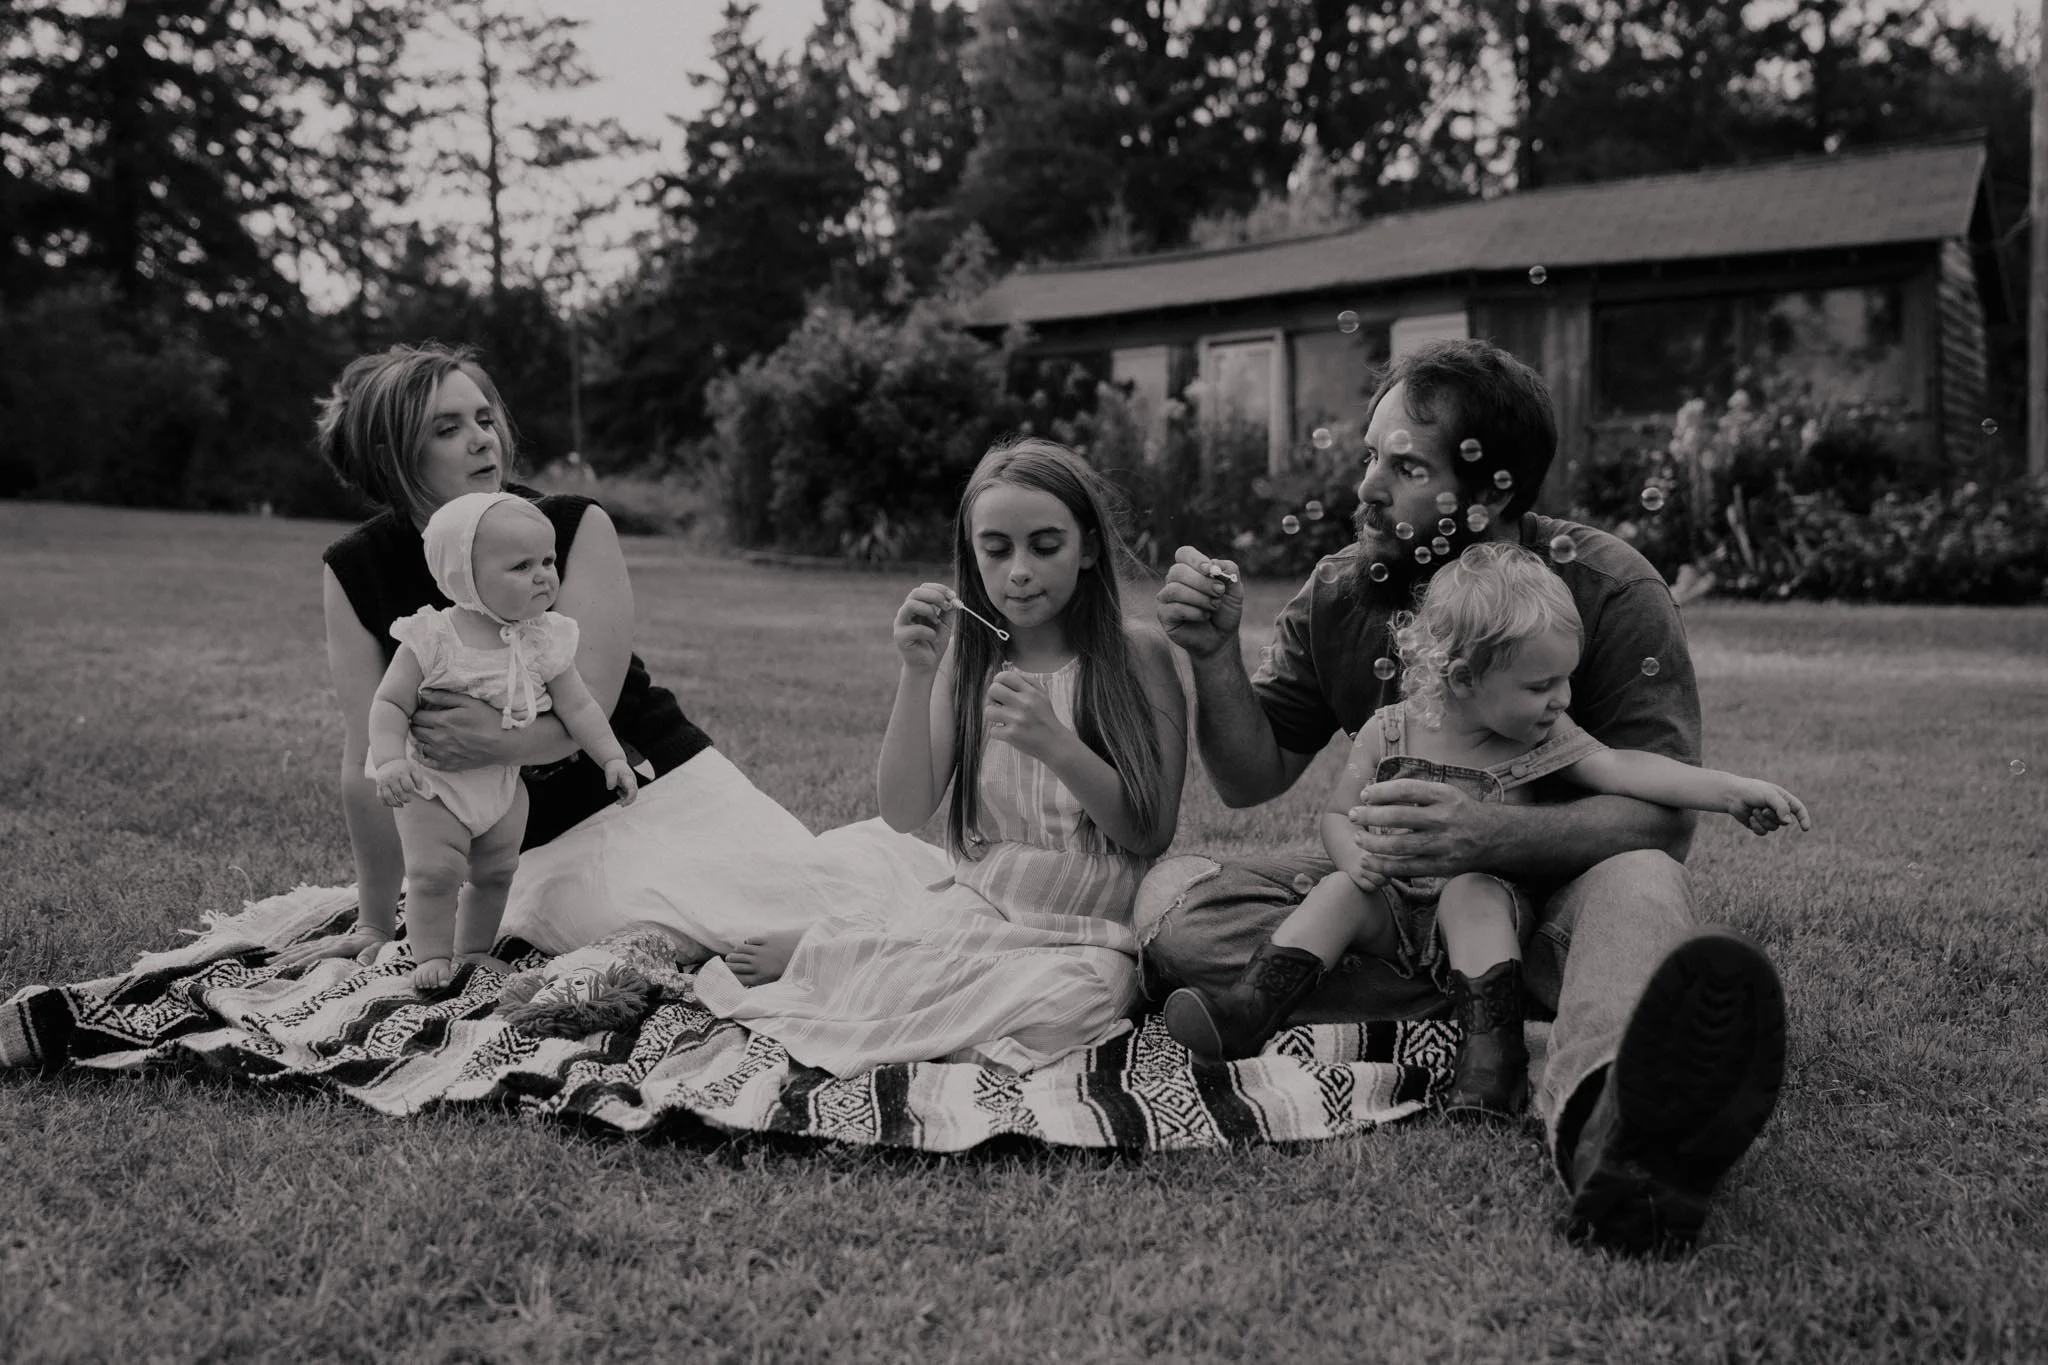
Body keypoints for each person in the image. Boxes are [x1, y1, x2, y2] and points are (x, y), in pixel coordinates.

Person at [1144, 337, 1789, 1256]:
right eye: (1371, 455)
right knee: (1173, 902)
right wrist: (1212, 656)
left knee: (1642, 882)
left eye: (1404, 467)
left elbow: (1659, 817)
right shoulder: (1342, 588)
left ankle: (1611, 1119)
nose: (1366, 487)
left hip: (1551, 897)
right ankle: (1522, 1021)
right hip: (1394, 900)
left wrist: (1483, 834)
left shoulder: (1604, 592)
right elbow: (1252, 776)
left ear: (1487, 496)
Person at [1163, 541, 1811, 1124]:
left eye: (1564, 678)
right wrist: (1351, 856)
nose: (1561, 697)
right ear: (1465, 677)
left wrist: (1729, 790)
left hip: (1487, 912)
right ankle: (1250, 1009)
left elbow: (1626, 766)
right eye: (1540, 683)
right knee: (1333, 895)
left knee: (1472, 890)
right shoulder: (1389, 730)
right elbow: (1337, 813)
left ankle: (1491, 1062)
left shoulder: (1546, 738)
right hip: (1392, 906)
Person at [271, 342, 831, 974]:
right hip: (525, 840)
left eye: (485, 418)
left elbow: (592, 699)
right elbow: (366, 759)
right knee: (609, 931)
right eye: (447, 429)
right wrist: (375, 920)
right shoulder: (357, 568)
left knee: (800, 911)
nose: (482, 440)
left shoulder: (568, 524)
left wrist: (492, 742)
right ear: (393, 456)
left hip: (650, 787)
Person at [692, 438, 1188, 1075]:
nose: (1018, 571)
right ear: (971, 553)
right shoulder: (972, 662)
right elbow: (903, 811)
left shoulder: (1137, 657)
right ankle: (847, 954)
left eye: (1045, 545)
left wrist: (1056, 745)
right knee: (932, 963)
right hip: (986, 902)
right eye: (996, 548)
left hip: (1090, 928)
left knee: (1074, 1004)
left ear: (1088, 547)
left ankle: (861, 959)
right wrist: (917, 672)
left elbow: (1150, 832)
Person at [367, 492, 640, 988]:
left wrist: (612, 757)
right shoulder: (432, 638)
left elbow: (579, 706)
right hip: (433, 784)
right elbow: (389, 704)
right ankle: (430, 953)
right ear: (464, 576)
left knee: (496, 872)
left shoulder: (543, 638)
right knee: (434, 873)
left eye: (549, 561)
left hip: (502, 786)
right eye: (521, 566)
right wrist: (388, 761)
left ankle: (472, 949)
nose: (543, 575)